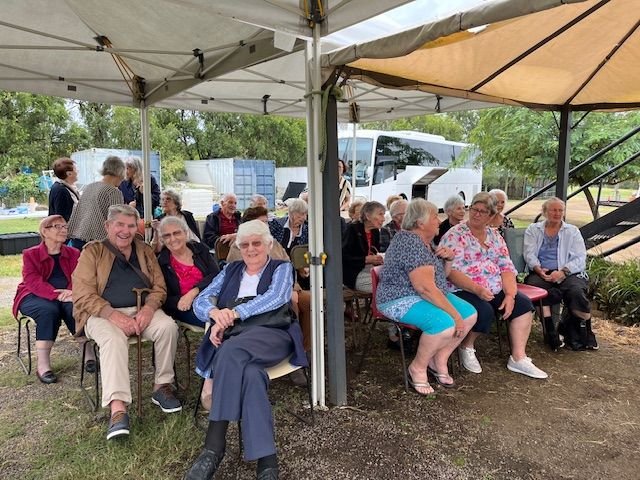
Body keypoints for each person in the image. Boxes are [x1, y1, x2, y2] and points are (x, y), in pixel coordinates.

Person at [184, 220, 307, 480]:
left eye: (256, 243)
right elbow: (201, 300)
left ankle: (213, 448)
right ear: (238, 247)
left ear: (268, 245)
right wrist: (216, 314)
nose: (251, 249)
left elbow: (277, 297)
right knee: (251, 375)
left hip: (272, 334)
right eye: (245, 244)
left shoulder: (281, 268)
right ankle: (267, 463)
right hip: (238, 337)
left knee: (228, 351)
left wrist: (234, 313)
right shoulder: (230, 270)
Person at [72, 204, 181, 440]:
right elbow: (82, 294)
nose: (126, 230)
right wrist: (113, 315)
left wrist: (149, 309)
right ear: (108, 226)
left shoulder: (144, 250)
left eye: (131, 226)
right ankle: (118, 408)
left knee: (168, 327)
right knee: (113, 339)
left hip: (141, 309)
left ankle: (162, 386)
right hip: (101, 314)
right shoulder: (92, 252)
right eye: (120, 224)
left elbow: (159, 287)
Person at [440, 192, 548, 379]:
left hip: (494, 287)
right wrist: (477, 289)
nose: (476, 214)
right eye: (474, 209)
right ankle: (467, 346)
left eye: (482, 212)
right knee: (484, 310)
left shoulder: (495, 236)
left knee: (523, 306)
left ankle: (518, 357)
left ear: (491, 216)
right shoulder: (455, 234)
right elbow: (452, 272)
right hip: (461, 288)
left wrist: (510, 295)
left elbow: (506, 267)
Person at [377, 199, 477, 394]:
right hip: (399, 297)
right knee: (444, 324)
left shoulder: (425, 242)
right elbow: (425, 289)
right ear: (420, 223)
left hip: (424, 294)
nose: (439, 221)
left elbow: (442, 277)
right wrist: (454, 316)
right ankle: (417, 367)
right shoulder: (410, 243)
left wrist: (449, 259)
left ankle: (439, 359)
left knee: (469, 314)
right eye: (434, 217)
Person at [12, 215, 93, 383]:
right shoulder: (31, 254)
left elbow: (78, 277)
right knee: (48, 310)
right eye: (58, 227)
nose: (64, 230)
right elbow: (32, 281)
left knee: (74, 308)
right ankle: (43, 366)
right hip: (34, 295)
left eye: (65, 227)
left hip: (67, 294)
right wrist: (56, 295)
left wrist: (71, 293)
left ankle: (89, 355)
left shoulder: (73, 252)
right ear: (44, 231)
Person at [523, 197, 597, 351]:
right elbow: (529, 253)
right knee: (537, 289)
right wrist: (538, 269)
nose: (557, 213)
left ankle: (585, 332)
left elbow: (580, 257)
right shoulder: (533, 229)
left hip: (568, 271)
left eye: (560, 210)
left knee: (576, 292)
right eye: (553, 210)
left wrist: (563, 272)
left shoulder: (572, 231)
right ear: (545, 212)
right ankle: (550, 332)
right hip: (542, 271)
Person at [157, 216, 219, 327]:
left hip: (213, 298)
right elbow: (163, 297)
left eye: (177, 233)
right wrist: (183, 300)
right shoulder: (162, 262)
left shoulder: (200, 249)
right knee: (218, 322)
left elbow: (216, 275)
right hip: (186, 308)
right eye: (167, 235)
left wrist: (194, 292)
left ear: (185, 233)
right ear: (162, 240)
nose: (173, 239)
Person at [67, 156, 125, 250]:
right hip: (97, 241)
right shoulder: (113, 192)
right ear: (120, 172)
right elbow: (117, 220)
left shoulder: (90, 186)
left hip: (78, 236)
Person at [342, 201, 385, 293]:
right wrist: (366, 260)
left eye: (384, 215)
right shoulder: (352, 229)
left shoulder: (375, 231)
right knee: (384, 286)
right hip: (353, 274)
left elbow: (375, 252)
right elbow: (343, 257)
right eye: (380, 214)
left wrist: (378, 259)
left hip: (370, 270)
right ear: (368, 216)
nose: (383, 219)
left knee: (393, 279)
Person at [48, 157, 79, 222]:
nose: (78, 171)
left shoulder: (66, 187)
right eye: (75, 169)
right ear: (69, 174)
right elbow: (61, 218)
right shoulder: (60, 190)